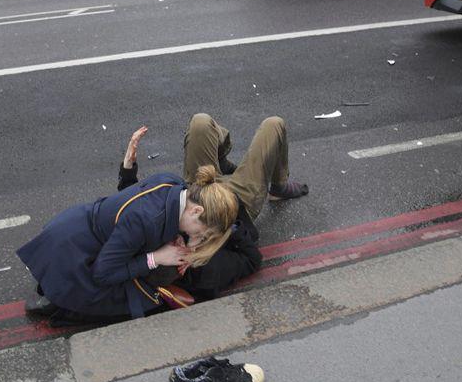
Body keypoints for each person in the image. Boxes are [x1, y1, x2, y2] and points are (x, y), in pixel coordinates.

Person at [117, 114, 308, 300]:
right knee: (274, 125)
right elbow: (252, 259)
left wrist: (128, 168)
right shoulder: (207, 273)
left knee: (200, 123)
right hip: (238, 201)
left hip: (200, 188)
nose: (178, 241)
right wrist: (230, 225)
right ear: (182, 265)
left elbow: (134, 210)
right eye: (181, 247)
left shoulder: (155, 240)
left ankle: (220, 162)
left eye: (172, 243)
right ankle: (279, 185)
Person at [17, 164, 239, 325]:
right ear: (196, 210)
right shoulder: (144, 220)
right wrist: (156, 258)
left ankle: (53, 288)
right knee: (140, 303)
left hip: (76, 230)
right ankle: (59, 305)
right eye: (200, 233)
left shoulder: (175, 184)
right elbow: (102, 273)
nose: (196, 238)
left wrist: (176, 238)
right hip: (75, 256)